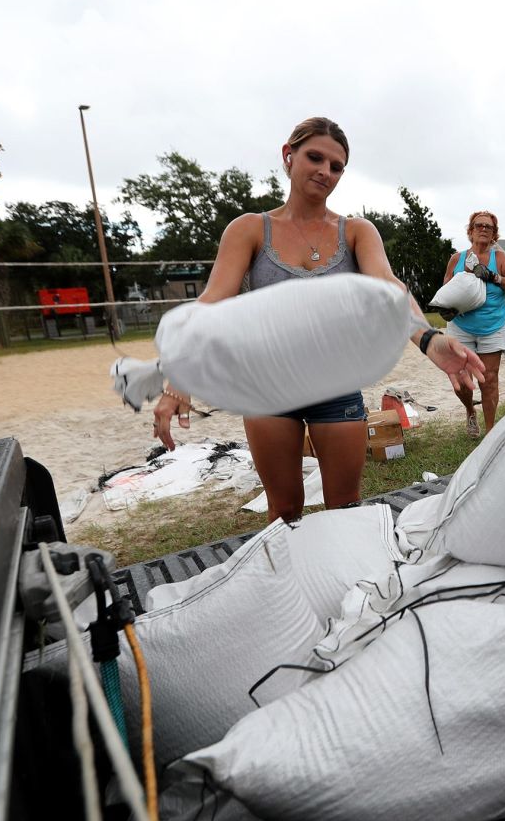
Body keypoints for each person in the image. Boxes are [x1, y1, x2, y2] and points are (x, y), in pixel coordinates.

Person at [153, 117, 485, 523]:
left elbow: (388, 288)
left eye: (336, 166)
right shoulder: (250, 229)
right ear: (288, 156)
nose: (325, 172)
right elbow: (212, 301)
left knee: (344, 510)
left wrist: (430, 340)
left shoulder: (356, 232)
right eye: (315, 157)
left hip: (337, 387)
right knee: (285, 511)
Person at [442, 211, 505, 438]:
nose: (483, 229)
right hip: (461, 327)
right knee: (461, 381)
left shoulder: (499, 259)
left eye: (488, 227)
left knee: (488, 381)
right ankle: (470, 410)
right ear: (470, 231)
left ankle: (490, 434)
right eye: (478, 225)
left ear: (494, 233)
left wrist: (494, 277)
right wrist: (446, 309)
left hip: (492, 328)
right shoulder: (456, 259)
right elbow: (446, 291)